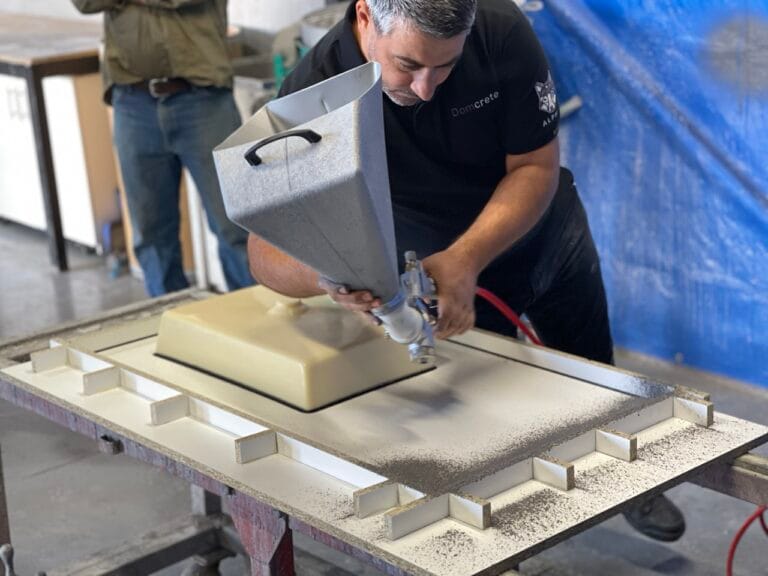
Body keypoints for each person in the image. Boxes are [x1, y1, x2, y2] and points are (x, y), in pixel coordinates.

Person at [246, 0, 685, 542]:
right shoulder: (312, 95)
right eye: (407, 65)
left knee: (598, 378)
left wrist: (467, 257)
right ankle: (504, 543)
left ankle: (631, 481)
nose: (426, 87)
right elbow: (264, 250)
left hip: (544, 235)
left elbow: (534, 166)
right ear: (365, 17)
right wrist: (332, 275)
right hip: (434, 268)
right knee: (487, 434)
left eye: (446, 68)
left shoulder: (500, 31)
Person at [72, 0, 253, 296]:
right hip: (133, 101)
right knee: (152, 237)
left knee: (237, 227)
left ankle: (261, 328)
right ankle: (171, 328)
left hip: (202, 99)